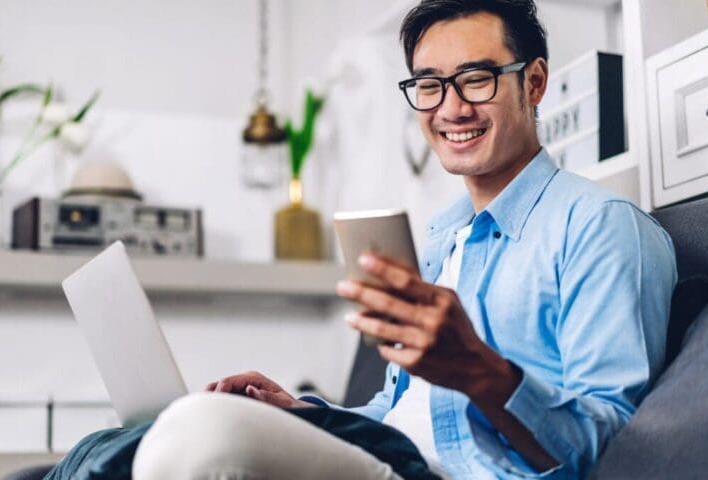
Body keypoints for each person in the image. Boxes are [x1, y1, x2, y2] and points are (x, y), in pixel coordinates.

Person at [132, 1, 677, 478]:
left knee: (200, 436)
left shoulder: (601, 225)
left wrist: (479, 371)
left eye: (478, 78)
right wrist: (304, 414)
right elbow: (398, 413)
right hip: (396, 461)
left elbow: (614, 449)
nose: (451, 108)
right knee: (136, 438)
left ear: (533, 82)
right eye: (429, 84)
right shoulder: (443, 236)